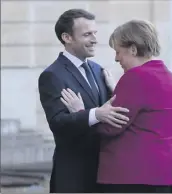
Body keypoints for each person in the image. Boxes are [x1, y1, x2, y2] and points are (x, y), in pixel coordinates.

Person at [61, 19, 172, 193]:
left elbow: (111, 126)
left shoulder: (135, 77)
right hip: (165, 172)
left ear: (133, 49)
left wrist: (81, 112)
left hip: (133, 175)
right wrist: (116, 92)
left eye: (118, 51)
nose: (116, 58)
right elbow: (143, 116)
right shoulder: (167, 75)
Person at [38, 9, 130, 193]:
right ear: (67, 37)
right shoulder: (52, 75)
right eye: (87, 34)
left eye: (95, 33)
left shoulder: (99, 70)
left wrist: (115, 91)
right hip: (73, 176)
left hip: (105, 173)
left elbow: (115, 114)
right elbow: (57, 123)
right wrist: (96, 114)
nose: (95, 39)